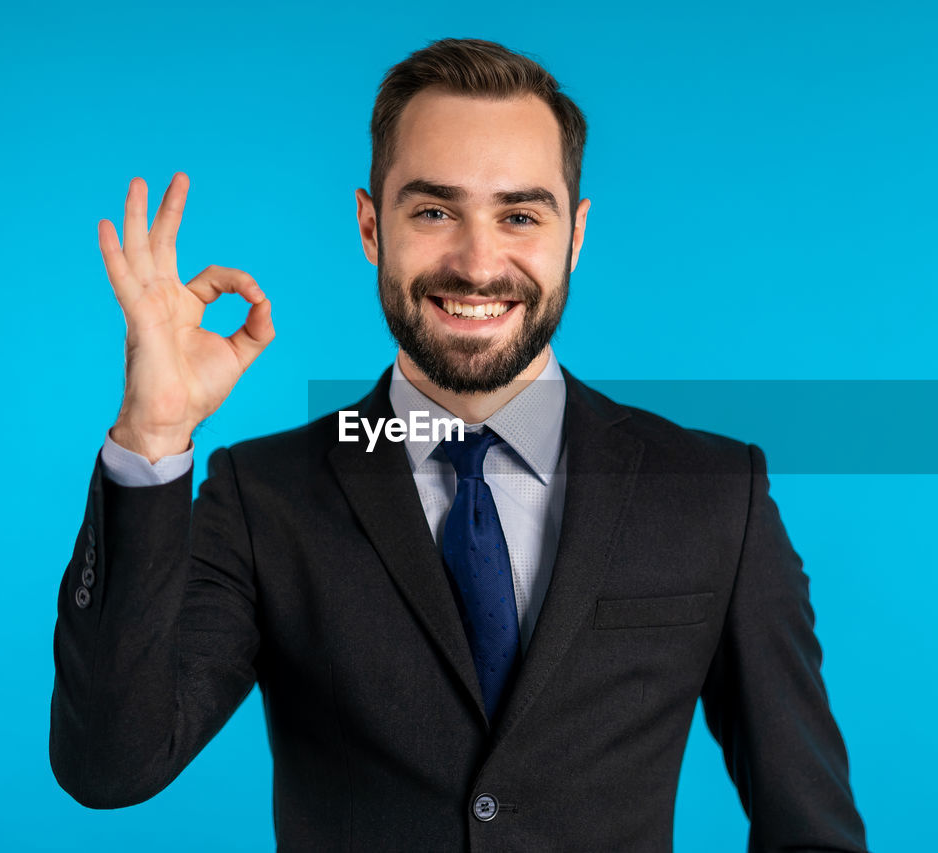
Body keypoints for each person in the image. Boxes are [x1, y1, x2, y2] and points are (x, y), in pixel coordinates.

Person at [49, 38, 868, 851]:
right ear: (372, 226)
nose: (479, 264)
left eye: (519, 215)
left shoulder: (714, 492)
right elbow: (110, 765)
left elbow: (811, 827)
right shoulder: (264, 494)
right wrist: (151, 435)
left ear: (575, 235)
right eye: (435, 211)